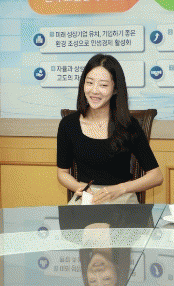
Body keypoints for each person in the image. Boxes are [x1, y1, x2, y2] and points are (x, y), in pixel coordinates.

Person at [57, 54, 163, 204]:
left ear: (115, 89)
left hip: (122, 198)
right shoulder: (68, 124)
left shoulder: (128, 125)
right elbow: (62, 173)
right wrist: (79, 187)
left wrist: (119, 189)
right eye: (90, 83)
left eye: (103, 85)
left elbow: (156, 176)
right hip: (87, 199)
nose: (94, 91)